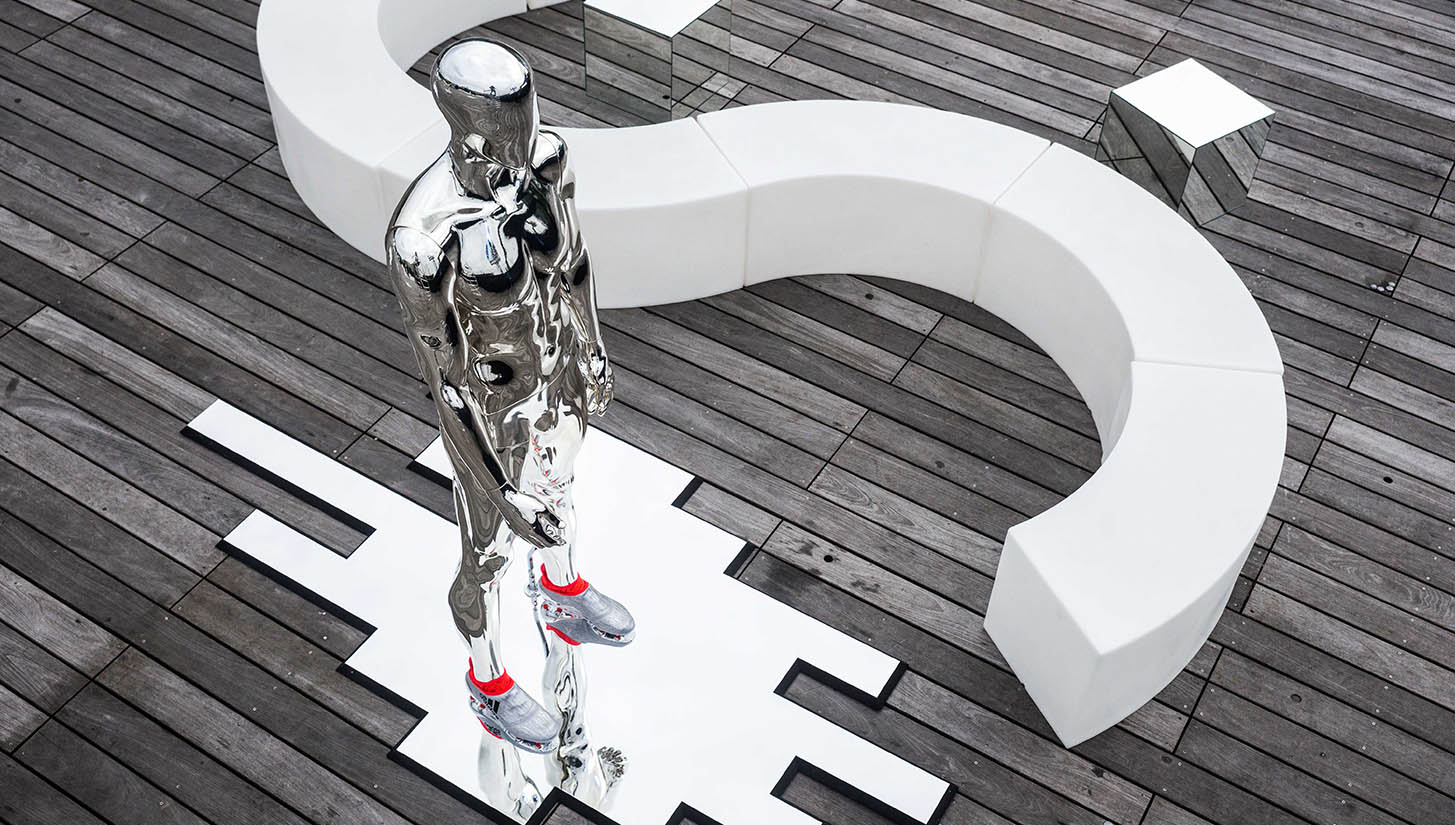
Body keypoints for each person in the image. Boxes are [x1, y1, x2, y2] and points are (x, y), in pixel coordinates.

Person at [385, 38, 634, 818]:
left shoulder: (545, 162)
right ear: (465, 131)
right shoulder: (422, 238)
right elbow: (444, 382)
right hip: (490, 411)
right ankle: (488, 677)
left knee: (561, 494)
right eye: (502, 139)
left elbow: (574, 261)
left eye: (525, 126)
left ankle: (561, 590)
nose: (519, 151)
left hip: (555, 376)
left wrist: (592, 347)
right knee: (488, 551)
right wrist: (499, 487)